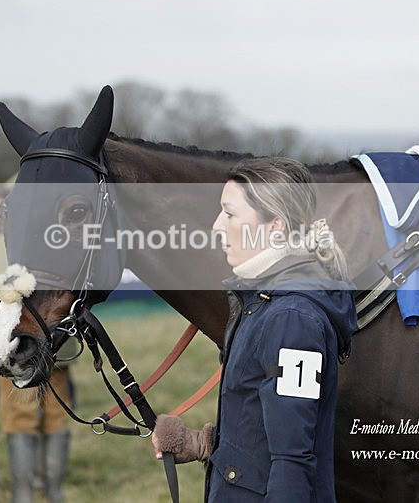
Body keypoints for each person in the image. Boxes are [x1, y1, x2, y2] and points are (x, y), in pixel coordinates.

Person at [152, 157, 357, 501]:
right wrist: (199, 443)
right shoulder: (261, 304)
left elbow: (292, 459)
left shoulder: (292, 319)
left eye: (229, 214)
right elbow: (263, 431)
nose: (217, 226)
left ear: (274, 226)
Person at [0, 176, 74, 503]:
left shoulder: (36, 240)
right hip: (21, 345)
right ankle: (28, 495)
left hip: (44, 344)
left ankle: (50, 492)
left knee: (51, 416)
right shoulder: (29, 241)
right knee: (26, 419)